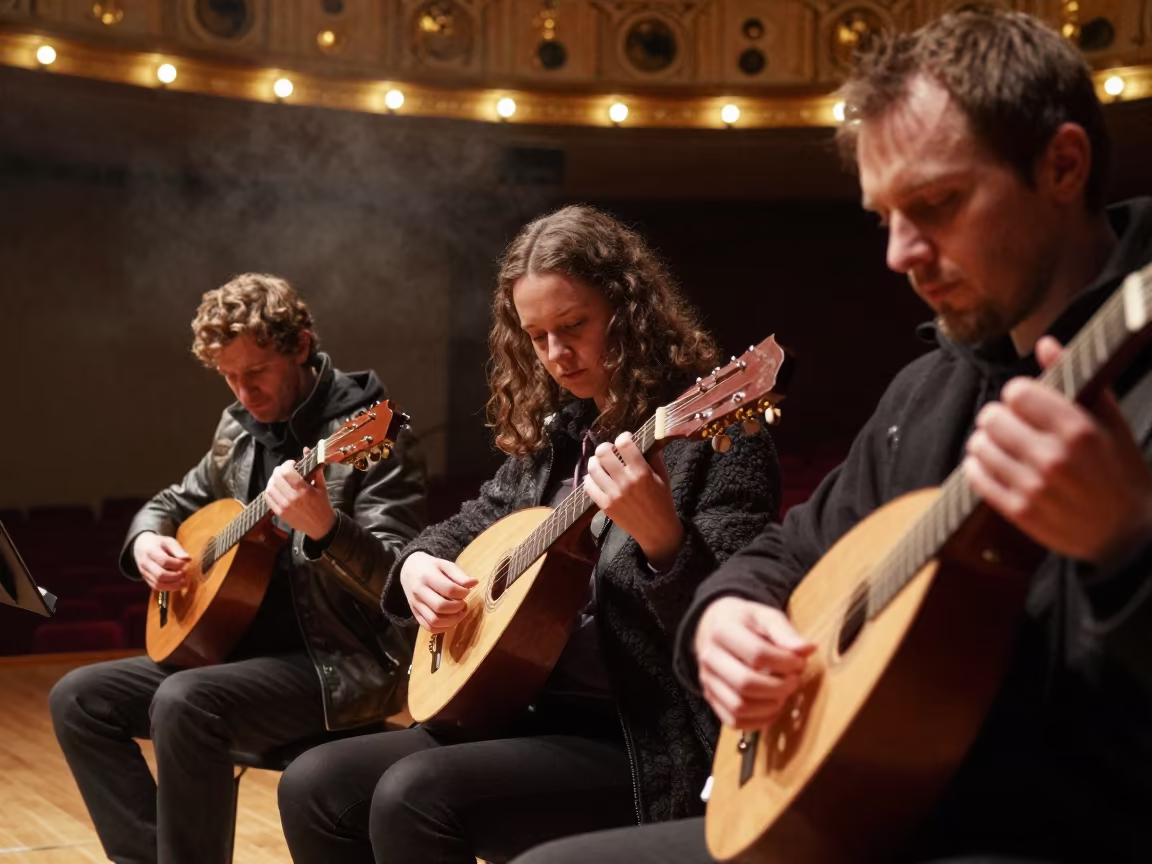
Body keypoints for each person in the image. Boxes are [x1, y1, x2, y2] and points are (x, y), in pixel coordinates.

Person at [507, 8, 1152, 864]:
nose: (898, 253)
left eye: (935, 203)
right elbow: (783, 555)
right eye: (884, 215)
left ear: (1062, 165)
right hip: (875, 807)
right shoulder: (927, 391)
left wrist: (1127, 550)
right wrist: (724, 617)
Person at [276, 204, 781, 864]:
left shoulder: (715, 436)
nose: (555, 355)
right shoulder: (557, 436)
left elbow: (736, 615)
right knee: (314, 784)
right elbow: (469, 525)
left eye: (573, 327)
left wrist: (666, 545)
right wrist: (414, 568)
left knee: (415, 796)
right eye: (536, 336)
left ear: (629, 311)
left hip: (638, 738)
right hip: (520, 708)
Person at [49, 273, 427, 864]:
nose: (242, 393)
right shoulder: (237, 430)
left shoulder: (367, 431)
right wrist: (147, 538)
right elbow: (171, 502)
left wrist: (325, 528)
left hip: (336, 666)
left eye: (255, 374)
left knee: (184, 700)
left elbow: (393, 585)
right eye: (228, 377)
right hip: (236, 656)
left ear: (300, 347)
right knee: (78, 697)